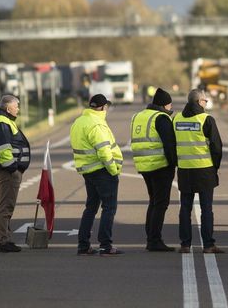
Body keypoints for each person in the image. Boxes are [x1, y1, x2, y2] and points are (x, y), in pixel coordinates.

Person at [71, 94, 124, 256]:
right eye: (106, 106)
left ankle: (83, 245)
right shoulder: (97, 124)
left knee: (91, 208)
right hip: (103, 171)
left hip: (87, 171)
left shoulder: (79, 122)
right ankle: (106, 246)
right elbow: (104, 151)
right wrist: (113, 170)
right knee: (109, 208)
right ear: (102, 107)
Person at [174, 89, 223, 253]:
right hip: (204, 170)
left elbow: (172, 144)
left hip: (184, 170)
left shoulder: (177, 119)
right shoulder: (206, 119)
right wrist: (214, 167)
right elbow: (217, 147)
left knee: (185, 208)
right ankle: (208, 245)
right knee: (206, 209)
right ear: (199, 102)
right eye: (205, 101)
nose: (206, 104)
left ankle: (185, 244)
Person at [130, 87, 178, 252]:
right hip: (160, 166)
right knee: (161, 203)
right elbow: (169, 144)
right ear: (165, 105)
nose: (171, 108)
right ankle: (154, 240)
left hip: (144, 166)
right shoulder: (162, 118)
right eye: (170, 105)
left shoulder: (138, 116)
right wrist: (173, 164)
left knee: (153, 201)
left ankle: (150, 238)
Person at [0, 94, 30, 253]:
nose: (18, 109)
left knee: (7, 206)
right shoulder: (1, 121)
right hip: (7, 172)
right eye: (16, 106)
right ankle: (4, 241)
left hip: (8, 171)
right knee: (6, 207)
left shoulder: (3, 120)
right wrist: (12, 169)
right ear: (8, 107)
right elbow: (3, 148)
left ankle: (6, 239)